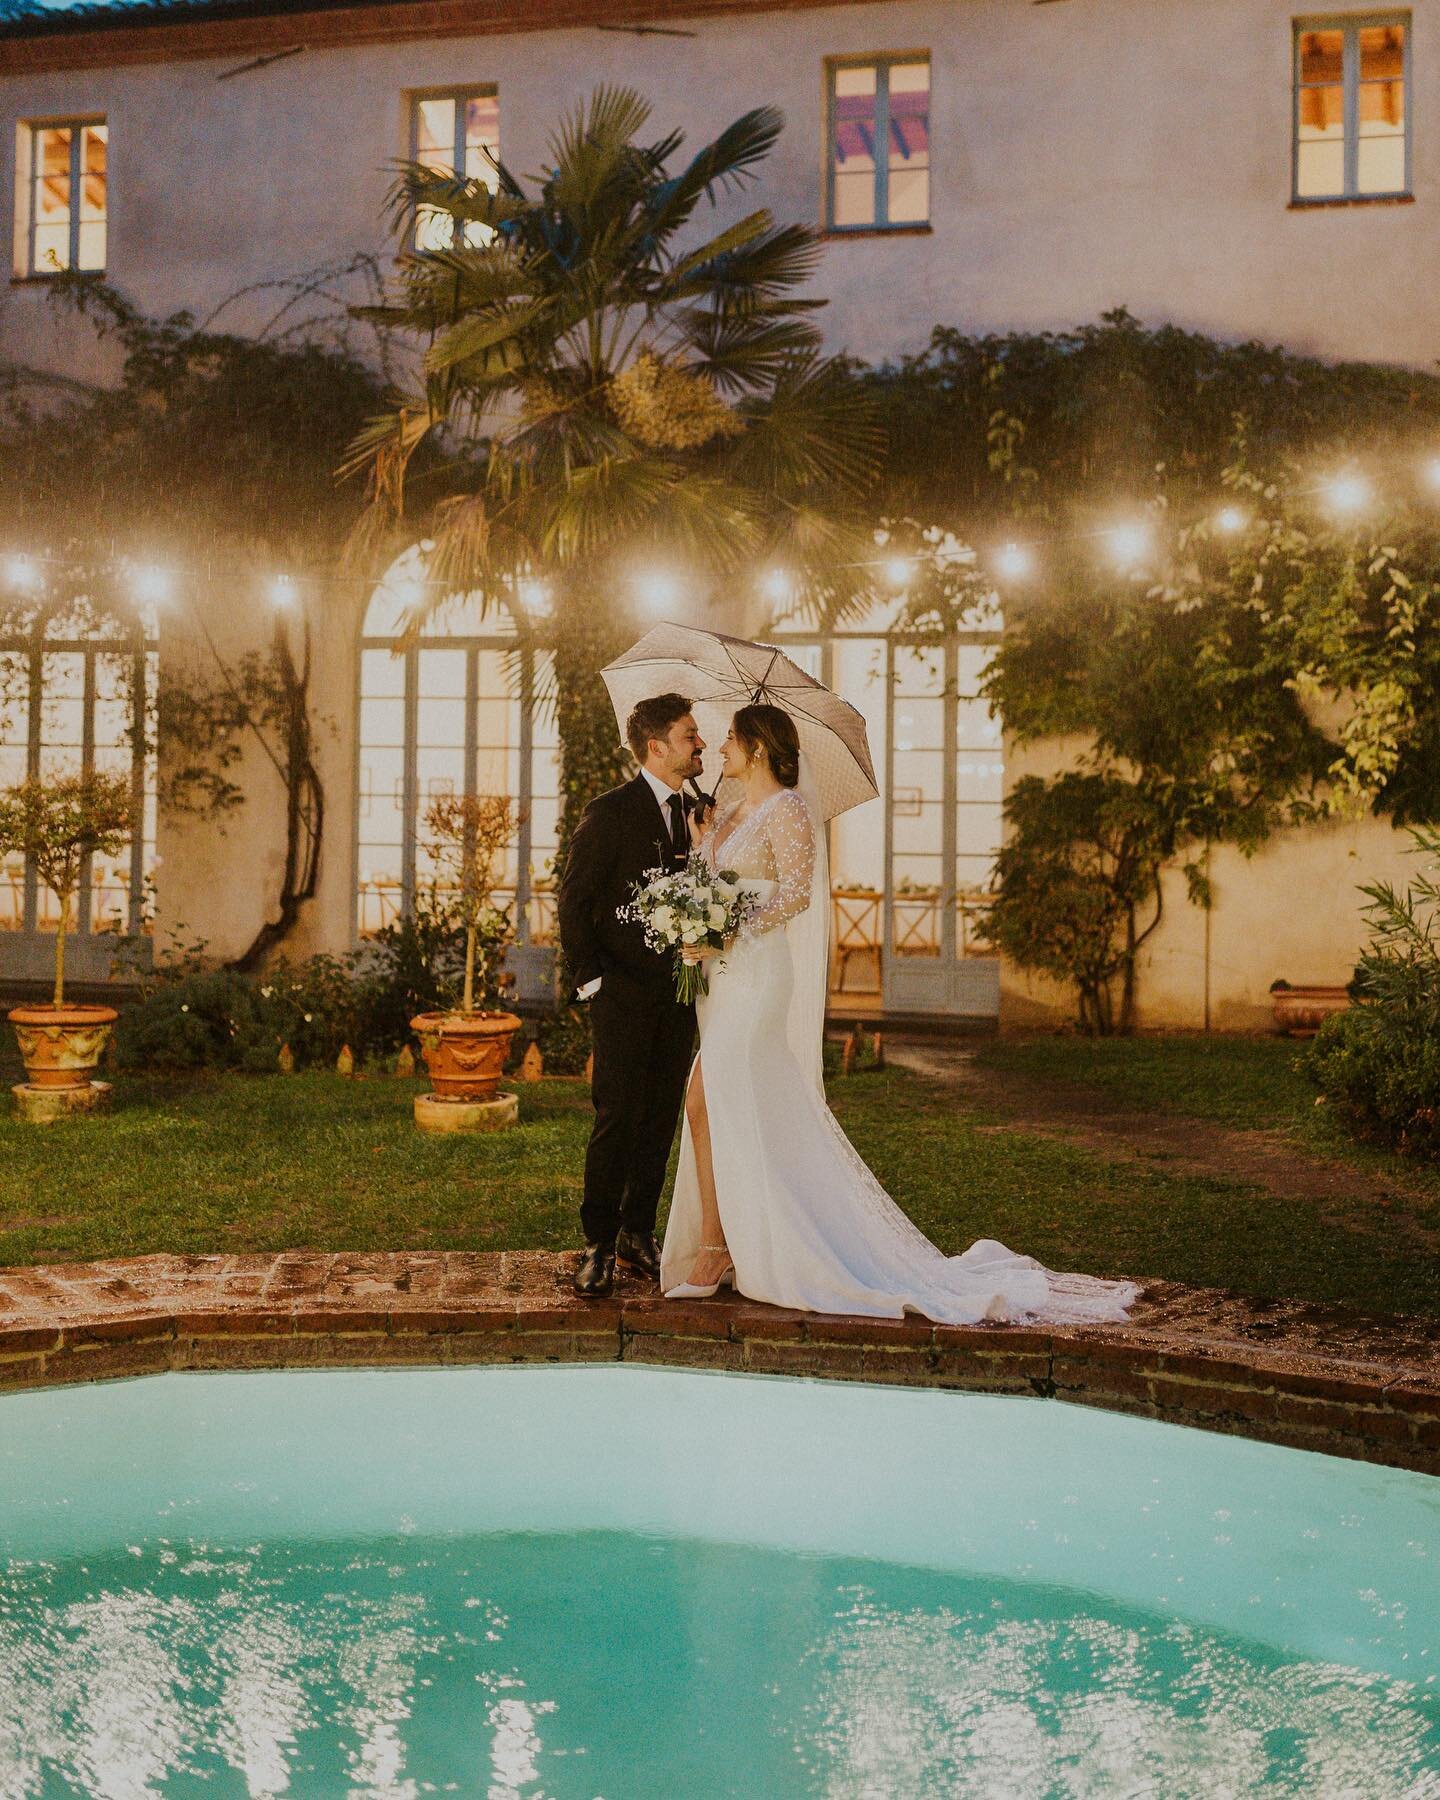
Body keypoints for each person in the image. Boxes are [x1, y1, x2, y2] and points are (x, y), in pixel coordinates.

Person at [659, 702, 1138, 1326]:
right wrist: (702, 855)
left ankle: (720, 1246)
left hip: (757, 978)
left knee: (707, 1099)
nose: (720, 747)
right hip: (720, 982)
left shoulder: (788, 809)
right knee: (717, 1105)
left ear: (757, 748)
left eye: (730, 738)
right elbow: (710, 884)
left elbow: (797, 895)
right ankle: (733, 1239)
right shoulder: (726, 813)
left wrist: (729, 929)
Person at [558, 693, 705, 1299]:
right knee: (617, 1116)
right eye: (690, 735)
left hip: (680, 993)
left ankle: (637, 1231)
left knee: (661, 1115)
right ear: (656, 747)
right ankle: (597, 1242)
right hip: (620, 992)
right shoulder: (610, 812)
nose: (700, 744)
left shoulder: (699, 812)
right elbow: (574, 899)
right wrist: (592, 979)